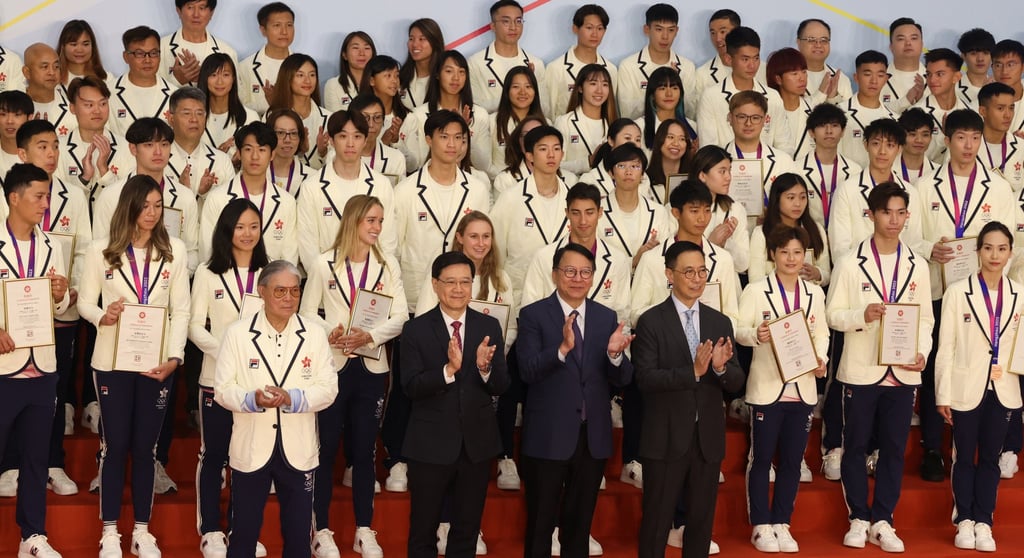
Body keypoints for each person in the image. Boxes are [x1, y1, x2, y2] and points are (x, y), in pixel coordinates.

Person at [77, 174, 190, 558]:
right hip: (111, 363)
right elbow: (84, 304)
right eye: (145, 205)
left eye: (158, 206)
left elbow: (182, 310)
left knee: (146, 448)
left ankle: (142, 529)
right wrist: (102, 315)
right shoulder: (100, 251)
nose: (151, 213)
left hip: (156, 363)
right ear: (129, 206)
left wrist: (174, 359)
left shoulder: (174, 249)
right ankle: (109, 531)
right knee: (115, 445)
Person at [826, 183, 933, 552]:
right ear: (871, 214)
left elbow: (926, 322)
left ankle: (884, 519)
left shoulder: (917, 264)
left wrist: (922, 353)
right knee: (854, 446)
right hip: (861, 368)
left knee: (893, 448)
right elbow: (832, 314)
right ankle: (859, 516)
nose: (894, 219)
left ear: (908, 215)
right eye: (886, 211)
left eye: (900, 212)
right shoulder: (848, 261)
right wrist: (862, 314)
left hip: (902, 371)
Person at [300, 195, 407, 558]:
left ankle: (364, 528)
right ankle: (322, 530)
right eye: (370, 221)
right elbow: (306, 312)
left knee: (364, 451)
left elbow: (401, 315)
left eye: (380, 221)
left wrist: (371, 336)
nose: (376, 227)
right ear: (353, 222)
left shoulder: (387, 263)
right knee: (326, 449)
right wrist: (330, 331)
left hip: (372, 366)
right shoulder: (323, 263)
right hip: (333, 366)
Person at [918, 109, 1019, 484]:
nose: (968, 146)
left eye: (974, 138)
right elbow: (911, 236)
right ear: (947, 140)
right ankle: (932, 447)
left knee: (986, 362)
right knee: (937, 365)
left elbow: (1009, 243)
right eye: (961, 138)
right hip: (937, 289)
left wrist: (990, 284)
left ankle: (996, 446)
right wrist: (931, 248)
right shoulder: (926, 187)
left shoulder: (998, 187)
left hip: (984, 293)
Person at [214, 260, 337, 558]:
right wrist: (253, 399)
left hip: (298, 448)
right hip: (252, 446)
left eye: (294, 291)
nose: (288, 298)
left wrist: (291, 398)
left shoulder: (314, 334)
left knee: (297, 538)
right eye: (280, 291)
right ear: (262, 292)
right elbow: (222, 390)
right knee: (243, 534)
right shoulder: (238, 334)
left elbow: (329, 389)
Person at [518, 242, 634, 557]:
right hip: (548, 436)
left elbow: (623, 378)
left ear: (593, 277)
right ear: (556, 274)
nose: (577, 278)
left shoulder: (606, 317)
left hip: (591, 437)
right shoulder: (533, 315)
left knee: (580, 526)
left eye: (585, 272)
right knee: (541, 524)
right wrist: (561, 350)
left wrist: (614, 356)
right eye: (569, 271)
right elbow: (526, 371)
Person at [633, 239, 744, 558]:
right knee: (656, 522)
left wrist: (720, 368)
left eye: (702, 271)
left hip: (706, 439)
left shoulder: (719, 321)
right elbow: (645, 379)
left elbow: (736, 381)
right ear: (669, 274)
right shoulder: (652, 321)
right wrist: (693, 370)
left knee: (700, 523)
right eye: (689, 271)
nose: (697, 278)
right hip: (665, 438)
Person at [401, 251, 508, 558]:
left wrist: (485, 368)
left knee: (467, 530)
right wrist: (448, 371)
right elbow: (410, 387)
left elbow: (502, 385)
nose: (458, 289)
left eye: (465, 281)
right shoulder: (416, 329)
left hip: (476, 445)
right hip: (430, 445)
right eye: (450, 282)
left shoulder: (489, 327)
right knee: (423, 530)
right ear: (436, 285)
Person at [5, 120, 91, 498]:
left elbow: (84, 252)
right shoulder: (11, 193)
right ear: (22, 153)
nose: (52, 153)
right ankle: (8, 466)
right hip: (7, 333)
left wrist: (66, 294)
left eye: (55, 146)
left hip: (53, 325)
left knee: (51, 396)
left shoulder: (73, 194)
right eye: (42, 146)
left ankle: (52, 466)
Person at [737, 225, 828, 553]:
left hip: (802, 388)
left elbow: (822, 335)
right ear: (772, 255)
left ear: (806, 255)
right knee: (761, 458)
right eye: (784, 252)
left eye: (797, 252)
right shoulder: (757, 291)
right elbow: (738, 328)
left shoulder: (814, 293)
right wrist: (754, 335)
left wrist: (821, 359)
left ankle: (782, 522)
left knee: (792, 460)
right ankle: (760, 524)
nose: (791, 259)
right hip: (767, 388)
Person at [188, 198, 269, 558]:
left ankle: (241, 528)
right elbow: (193, 326)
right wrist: (228, 352)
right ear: (226, 230)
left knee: (247, 457)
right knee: (215, 453)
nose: (247, 233)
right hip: (216, 378)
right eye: (240, 227)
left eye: (254, 226)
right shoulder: (208, 272)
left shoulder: (269, 272)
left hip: (257, 382)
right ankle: (210, 530)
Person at [935, 221, 1022, 552]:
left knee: (991, 457)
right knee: (963, 458)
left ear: (1010, 252)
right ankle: (965, 520)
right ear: (978, 251)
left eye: (1002, 248)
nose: (995, 255)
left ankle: (984, 520)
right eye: (988, 248)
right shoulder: (958, 292)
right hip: (965, 386)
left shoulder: (1019, 294)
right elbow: (946, 346)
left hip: (1004, 387)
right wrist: (943, 392)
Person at [0, 163, 72, 558]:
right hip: (3, 368)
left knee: (36, 457)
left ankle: (33, 536)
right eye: (38, 196)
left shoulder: (50, 245)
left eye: (47, 196)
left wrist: (62, 293)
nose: (46, 204)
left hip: (42, 366)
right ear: (14, 197)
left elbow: (58, 306)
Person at [393, 110, 491, 314]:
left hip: (462, 295)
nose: (452, 145)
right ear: (429, 140)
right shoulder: (406, 190)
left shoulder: (477, 189)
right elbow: (395, 248)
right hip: (417, 291)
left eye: (458, 138)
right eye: (444, 137)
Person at [93, 117, 200, 273]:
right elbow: (100, 249)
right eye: (149, 145)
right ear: (133, 149)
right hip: (122, 285)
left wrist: (172, 276)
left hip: (168, 284)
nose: (158, 152)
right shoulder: (111, 195)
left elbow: (191, 252)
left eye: (164, 145)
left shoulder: (185, 196)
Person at [631, 179, 740, 328]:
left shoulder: (723, 259)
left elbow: (731, 316)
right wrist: (673, 313)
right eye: (694, 211)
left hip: (712, 345)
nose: (702, 218)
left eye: (707, 210)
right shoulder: (652, 259)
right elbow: (636, 313)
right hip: (666, 344)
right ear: (676, 213)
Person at [297, 109, 397, 270]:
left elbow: (387, 241)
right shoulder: (311, 187)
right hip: (327, 280)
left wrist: (372, 276)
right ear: (331, 140)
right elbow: (308, 245)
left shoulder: (381, 185)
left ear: (365, 140)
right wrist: (329, 279)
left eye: (357, 136)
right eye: (343, 136)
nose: (350, 143)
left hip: (370, 280)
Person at [520, 182, 632, 322]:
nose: (583, 221)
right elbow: (529, 312)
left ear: (600, 212)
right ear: (567, 213)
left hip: (602, 343)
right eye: (576, 213)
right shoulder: (543, 257)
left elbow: (622, 319)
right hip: (554, 341)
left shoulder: (618, 260)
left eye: (589, 212)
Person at [828, 117, 927, 263]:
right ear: (866, 145)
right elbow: (840, 249)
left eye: (890, 145)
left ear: (899, 149)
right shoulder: (847, 190)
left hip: (899, 275)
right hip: (858, 274)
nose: (882, 151)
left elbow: (914, 244)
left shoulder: (910, 192)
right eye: (876, 144)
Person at [491, 125, 571, 301]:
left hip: (564, 295)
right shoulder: (511, 198)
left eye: (556, 149)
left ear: (562, 155)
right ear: (529, 156)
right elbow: (496, 250)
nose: (551, 155)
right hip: (520, 293)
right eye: (543, 149)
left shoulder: (572, 198)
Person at [201, 121, 298, 264]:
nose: (255, 156)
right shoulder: (217, 198)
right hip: (228, 281)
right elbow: (207, 253)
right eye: (248, 149)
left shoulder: (287, 202)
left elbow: (289, 258)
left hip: (272, 282)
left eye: (262, 150)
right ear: (238, 153)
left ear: (272, 155)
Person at [696, 27, 793, 155]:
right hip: (726, 170)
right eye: (745, 59)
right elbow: (708, 147)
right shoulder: (711, 96)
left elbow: (785, 146)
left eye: (756, 58)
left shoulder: (773, 97)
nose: (752, 65)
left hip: (769, 170)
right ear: (729, 59)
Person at [398, 50, 490, 172]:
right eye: (449, 71)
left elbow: (483, 166)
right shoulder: (419, 116)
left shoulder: (479, 115)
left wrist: (464, 133)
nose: (456, 78)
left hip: (469, 184)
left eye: (461, 72)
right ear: (437, 74)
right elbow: (415, 166)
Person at [57, 76, 136, 209]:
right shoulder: (59, 148)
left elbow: (131, 201)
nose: (97, 110)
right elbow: (56, 201)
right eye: (89, 105)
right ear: (72, 108)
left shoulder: (126, 147)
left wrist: (105, 171)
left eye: (103, 104)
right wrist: (84, 178)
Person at [596, 143, 675, 269]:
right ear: (611, 173)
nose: (628, 172)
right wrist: (634, 261)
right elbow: (595, 257)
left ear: (643, 174)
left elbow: (666, 256)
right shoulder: (596, 212)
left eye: (635, 166)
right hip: (611, 283)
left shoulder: (658, 212)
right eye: (621, 166)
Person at [616, 3, 697, 120]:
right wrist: (660, 90)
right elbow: (627, 113)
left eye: (671, 30)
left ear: (677, 31)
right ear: (647, 29)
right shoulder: (629, 66)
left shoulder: (687, 66)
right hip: (642, 134)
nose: (665, 36)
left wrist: (676, 82)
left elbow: (691, 111)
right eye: (659, 29)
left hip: (677, 133)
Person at [748, 173, 830, 287]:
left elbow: (827, 275)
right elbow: (755, 279)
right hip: (773, 299)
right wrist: (784, 278)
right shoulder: (761, 233)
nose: (798, 204)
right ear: (777, 199)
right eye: (791, 198)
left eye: (803, 197)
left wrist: (817, 274)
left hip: (809, 298)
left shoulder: (816, 229)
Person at [468, 0, 547, 114]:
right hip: (492, 129)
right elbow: (475, 107)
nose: (513, 27)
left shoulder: (536, 63)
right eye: (506, 21)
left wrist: (531, 85)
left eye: (518, 21)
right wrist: (515, 98)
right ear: (493, 26)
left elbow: (545, 108)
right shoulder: (476, 63)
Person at [544, 5, 617, 122]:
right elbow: (549, 111)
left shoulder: (610, 69)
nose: (595, 34)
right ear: (575, 29)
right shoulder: (556, 68)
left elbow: (610, 109)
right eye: (589, 28)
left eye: (600, 28)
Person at [795, 102, 861, 230]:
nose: (829, 131)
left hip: (845, 237)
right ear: (811, 132)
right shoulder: (797, 169)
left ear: (842, 132)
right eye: (822, 126)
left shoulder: (855, 171)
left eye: (835, 125)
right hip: (809, 237)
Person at [724, 91, 798, 202]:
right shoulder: (715, 162)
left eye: (755, 117)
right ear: (730, 118)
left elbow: (795, 201)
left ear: (765, 120)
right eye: (742, 117)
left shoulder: (783, 161)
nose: (748, 123)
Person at [165, 87, 236, 198]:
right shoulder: (158, 159)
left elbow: (231, 207)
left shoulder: (222, 161)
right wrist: (181, 194)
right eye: (187, 113)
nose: (194, 119)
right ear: (170, 118)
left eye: (199, 113)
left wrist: (205, 194)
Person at [108, 26, 177, 137]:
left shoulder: (175, 95)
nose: (147, 60)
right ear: (126, 57)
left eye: (153, 53)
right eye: (139, 54)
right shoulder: (108, 93)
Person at [693, 145, 750, 274]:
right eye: (722, 171)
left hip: (726, 285)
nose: (728, 177)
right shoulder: (678, 208)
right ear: (702, 175)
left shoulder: (735, 210)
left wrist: (726, 243)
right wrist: (711, 243)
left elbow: (743, 264)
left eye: (729, 170)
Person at [553, 64, 617, 176]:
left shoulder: (614, 125)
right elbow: (555, 165)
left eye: (605, 85)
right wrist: (588, 162)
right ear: (580, 88)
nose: (599, 90)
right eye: (593, 84)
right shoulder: (564, 122)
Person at [268, 53, 329, 169]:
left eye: (312, 75)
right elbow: (267, 154)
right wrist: (300, 151)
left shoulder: (329, 117)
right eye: (300, 75)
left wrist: (323, 153)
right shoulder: (273, 116)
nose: (307, 81)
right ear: (288, 78)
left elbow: (337, 163)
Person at [839, 50, 897, 168]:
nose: (874, 81)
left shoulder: (894, 119)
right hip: (847, 181)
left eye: (880, 75)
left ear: (886, 79)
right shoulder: (840, 114)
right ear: (856, 77)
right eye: (867, 74)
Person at [160, 0, 238, 88]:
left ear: (211, 13)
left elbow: (236, 96)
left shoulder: (227, 52)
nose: (196, 14)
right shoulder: (160, 48)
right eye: (190, 7)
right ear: (179, 11)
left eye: (202, 8)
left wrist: (204, 78)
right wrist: (176, 80)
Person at [913, 48, 972, 163]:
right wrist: (946, 137)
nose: (932, 80)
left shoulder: (969, 113)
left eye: (939, 74)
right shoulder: (916, 113)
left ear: (956, 77)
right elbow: (914, 156)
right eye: (929, 74)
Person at [486, 66, 545, 179]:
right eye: (516, 87)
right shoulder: (492, 122)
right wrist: (508, 179)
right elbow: (486, 165)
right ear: (507, 91)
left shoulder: (545, 123)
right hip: (502, 186)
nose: (523, 92)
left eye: (528, 86)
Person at [236, 2, 295, 115]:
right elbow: (240, 106)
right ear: (263, 30)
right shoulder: (245, 67)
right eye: (277, 25)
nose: (284, 32)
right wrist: (271, 104)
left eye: (289, 25)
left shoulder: (303, 67)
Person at [198, 54, 257, 156]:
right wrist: (219, 160)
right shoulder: (194, 118)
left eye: (225, 75)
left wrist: (239, 162)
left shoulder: (250, 117)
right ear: (204, 78)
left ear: (233, 79)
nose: (220, 81)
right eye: (213, 75)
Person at [579, 118, 650, 199]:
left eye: (637, 139)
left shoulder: (643, 177)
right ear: (611, 141)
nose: (633, 144)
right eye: (627, 138)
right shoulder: (589, 179)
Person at [348, 93, 407, 183]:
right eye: (365, 117)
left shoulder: (396, 158)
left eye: (377, 117)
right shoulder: (336, 156)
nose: (371, 124)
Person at [637, 67, 696, 155]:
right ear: (652, 95)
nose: (669, 94)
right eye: (662, 88)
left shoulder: (693, 127)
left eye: (674, 88)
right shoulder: (639, 127)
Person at [766, 48, 813, 157]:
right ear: (778, 79)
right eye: (794, 73)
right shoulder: (766, 110)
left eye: (804, 72)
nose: (802, 78)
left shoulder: (815, 110)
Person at [977, 82, 1024, 192]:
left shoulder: (1021, 148)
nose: (1008, 115)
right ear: (983, 111)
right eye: (1000, 108)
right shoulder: (965, 146)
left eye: (1011, 108)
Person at [693, 9, 746, 102]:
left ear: (738, 32)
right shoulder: (702, 74)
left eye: (723, 32)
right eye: (713, 33)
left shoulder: (760, 69)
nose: (717, 39)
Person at [796, 18, 852, 106]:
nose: (818, 45)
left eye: (824, 40)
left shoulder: (841, 78)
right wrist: (820, 94)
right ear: (798, 42)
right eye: (811, 39)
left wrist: (833, 98)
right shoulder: (788, 76)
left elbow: (847, 117)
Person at [22, 43, 75, 130]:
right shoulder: (12, 108)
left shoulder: (73, 108)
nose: (52, 72)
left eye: (56, 67)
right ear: (27, 72)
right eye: (45, 67)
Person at [360, 55, 407, 144]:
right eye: (388, 75)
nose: (394, 81)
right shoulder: (357, 116)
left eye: (396, 75)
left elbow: (414, 158)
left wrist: (395, 141)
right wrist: (383, 143)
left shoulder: (408, 118)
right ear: (372, 81)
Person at [265, 108, 314, 195]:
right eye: (280, 133)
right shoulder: (255, 173)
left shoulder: (312, 177)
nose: (287, 140)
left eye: (293, 133)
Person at [399, 19, 445, 111]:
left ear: (435, 42)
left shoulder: (445, 77)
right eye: (411, 39)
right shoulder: (400, 77)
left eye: (422, 39)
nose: (415, 44)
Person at [324, 32, 376, 112]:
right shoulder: (333, 85)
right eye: (355, 48)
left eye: (367, 48)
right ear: (344, 55)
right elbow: (336, 121)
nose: (362, 53)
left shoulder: (380, 82)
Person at [883, 17, 926, 114]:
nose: (908, 43)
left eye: (914, 38)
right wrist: (905, 101)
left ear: (922, 44)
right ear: (891, 46)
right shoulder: (877, 78)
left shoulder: (935, 78)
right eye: (901, 39)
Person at [646, 119, 694, 205]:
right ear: (659, 140)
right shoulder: (645, 180)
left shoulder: (694, 178)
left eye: (682, 139)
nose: (676, 143)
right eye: (670, 137)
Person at [56, 19, 113, 89]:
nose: (80, 50)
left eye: (85, 44)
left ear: (92, 46)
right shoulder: (53, 79)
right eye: (74, 44)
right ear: (63, 46)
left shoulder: (107, 79)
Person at [956, 28, 996, 110]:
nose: (980, 59)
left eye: (985, 53)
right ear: (963, 56)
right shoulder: (953, 89)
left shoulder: (999, 88)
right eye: (973, 54)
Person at [894, 107, 937, 182]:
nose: (919, 140)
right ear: (900, 136)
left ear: (931, 137)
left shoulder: (939, 171)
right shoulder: (887, 169)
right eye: (912, 134)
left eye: (925, 135)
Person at [991, 40, 1024, 132]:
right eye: (998, 65)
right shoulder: (980, 103)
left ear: (1023, 67)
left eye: (1011, 65)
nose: (1004, 71)